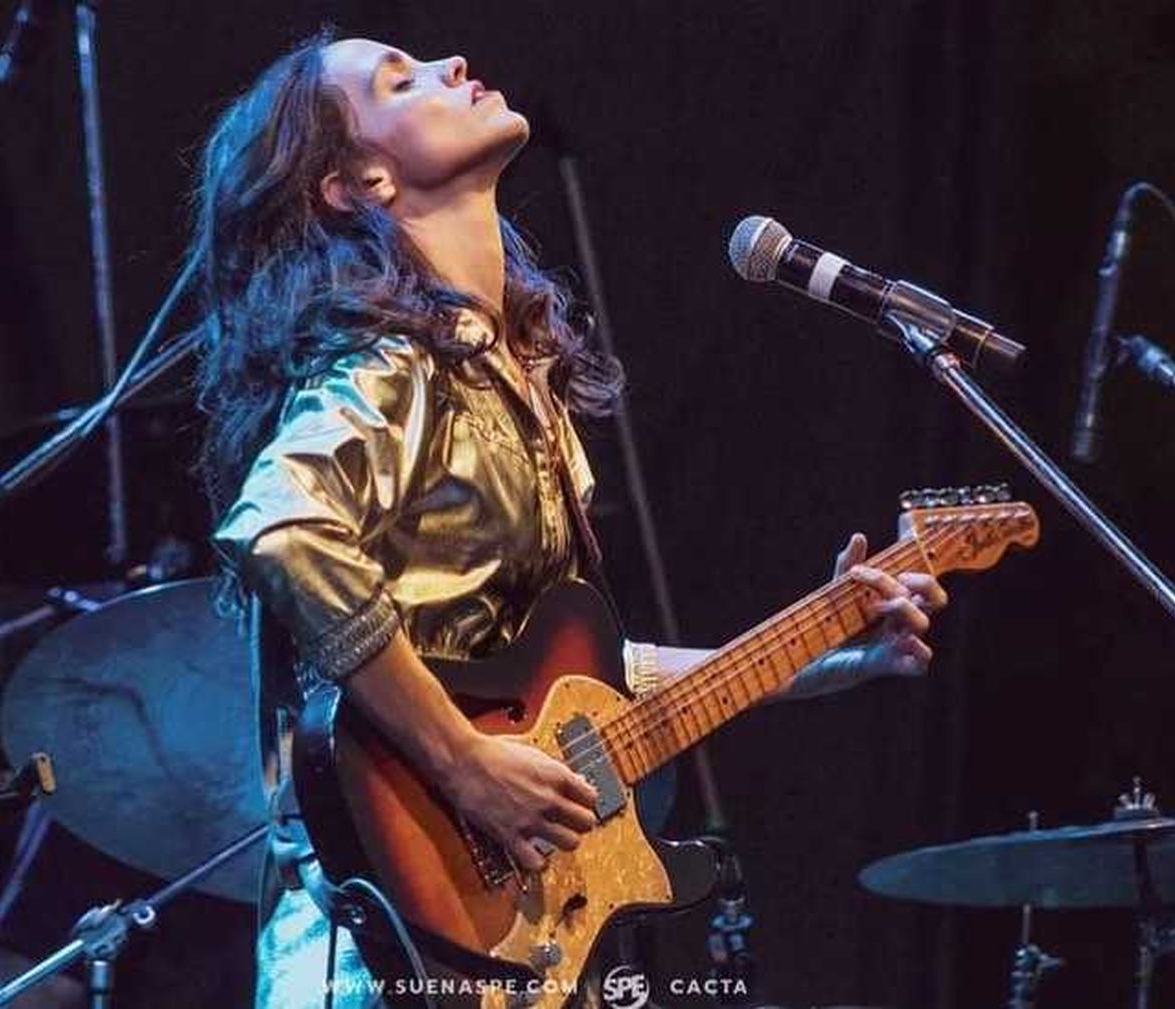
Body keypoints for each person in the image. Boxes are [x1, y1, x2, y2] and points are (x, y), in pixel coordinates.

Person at [190, 29, 948, 1009]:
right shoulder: (394, 361)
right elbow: (281, 527)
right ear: (355, 181)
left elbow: (585, 688)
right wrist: (463, 766)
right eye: (399, 79)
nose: (452, 65)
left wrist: (830, 651)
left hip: (503, 957)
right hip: (379, 958)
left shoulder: (502, 375)